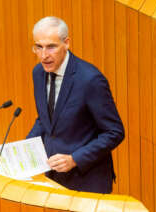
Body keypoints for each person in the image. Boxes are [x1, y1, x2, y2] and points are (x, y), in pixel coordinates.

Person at [26, 16, 125, 194]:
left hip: (86, 181)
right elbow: (45, 120)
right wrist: (25, 149)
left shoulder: (90, 79)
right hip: (53, 179)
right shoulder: (38, 73)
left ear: (67, 43)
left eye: (51, 46)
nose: (43, 55)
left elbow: (114, 132)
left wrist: (75, 159)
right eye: (38, 47)